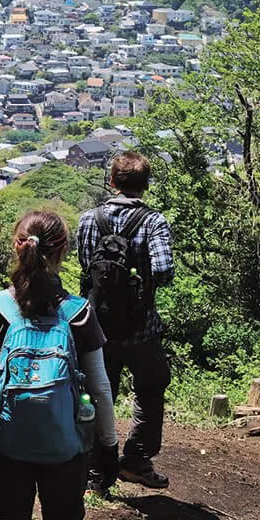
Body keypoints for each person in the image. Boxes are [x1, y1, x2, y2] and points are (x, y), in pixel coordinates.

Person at [0, 210, 119, 520]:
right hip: (67, 446)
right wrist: (108, 445)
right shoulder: (78, 312)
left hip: (8, 443)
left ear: (16, 247)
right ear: (63, 252)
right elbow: (101, 387)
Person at [78, 149, 174, 490]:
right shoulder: (154, 222)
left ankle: (95, 470)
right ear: (145, 185)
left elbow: (85, 266)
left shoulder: (90, 219)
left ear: (112, 181)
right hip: (140, 327)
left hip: (96, 327)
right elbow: (163, 271)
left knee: (96, 394)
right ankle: (135, 459)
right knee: (151, 386)